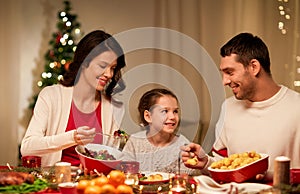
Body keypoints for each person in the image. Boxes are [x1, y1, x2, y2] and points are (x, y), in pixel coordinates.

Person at [181, 32, 300, 180]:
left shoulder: (297, 107)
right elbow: (224, 164)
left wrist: (269, 175)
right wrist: (206, 163)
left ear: (254, 67)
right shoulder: (228, 108)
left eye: (229, 72)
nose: (224, 81)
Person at [21, 30, 126, 167]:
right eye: (102, 66)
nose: (109, 74)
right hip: (56, 182)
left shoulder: (114, 108)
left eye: (113, 68)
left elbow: (110, 158)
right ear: (84, 62)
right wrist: (72, 138)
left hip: (94, 184)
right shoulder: (51, 96)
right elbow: (27, 147)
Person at [122, 88, 194, 174]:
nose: (172, 117)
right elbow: (126, 175)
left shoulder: (183, 145)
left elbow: (185, 180)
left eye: (175, 111)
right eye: (164, 111)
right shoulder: (135, 142)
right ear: (148, 116)